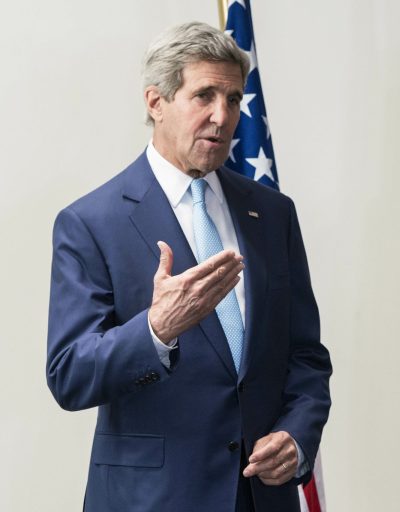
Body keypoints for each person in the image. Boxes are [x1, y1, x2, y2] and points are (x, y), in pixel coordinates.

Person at [46, 22, 331, 512]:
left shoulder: (272, 213)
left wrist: (297, 435)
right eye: (204, 96)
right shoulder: (91, 223)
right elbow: (69, 373)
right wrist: (155, 330)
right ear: (156, 102)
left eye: (234, 98)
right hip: (152, 499)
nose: (223, 117)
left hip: (260, 496)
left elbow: (304, 354)